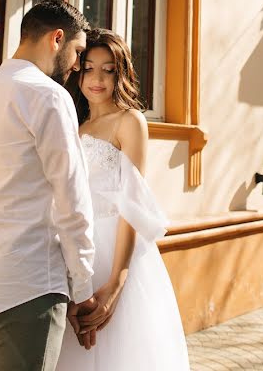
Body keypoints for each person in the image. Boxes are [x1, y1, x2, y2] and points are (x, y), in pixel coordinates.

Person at [0, 0, 106, 370]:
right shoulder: (47, 95)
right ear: (57, 38)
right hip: (26, 285)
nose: (78, 65)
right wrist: (81, 288)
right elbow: (71, 198)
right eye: (78, 52)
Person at [59, 28, 190, 370]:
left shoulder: (129, 120)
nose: (97, 78)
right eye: (88, 68)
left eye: (108, 69)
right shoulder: (74, 123)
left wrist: (117, 279)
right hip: (75, 250)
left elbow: (132, 203)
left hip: (115, 247)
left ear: (121, 72)